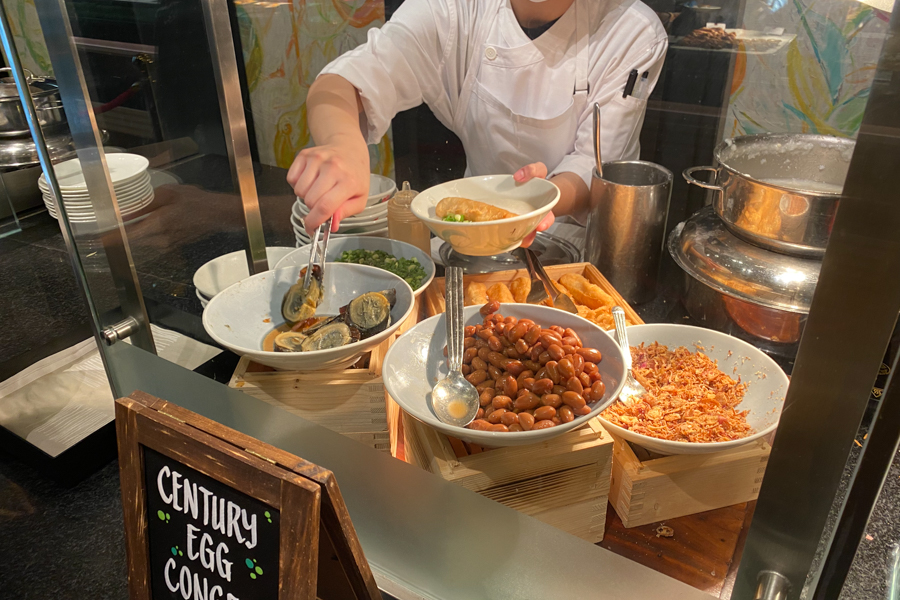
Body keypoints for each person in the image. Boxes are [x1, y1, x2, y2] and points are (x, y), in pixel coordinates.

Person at [287, 0, 667, 245]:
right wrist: (342, 143)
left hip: (577, 243)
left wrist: (535, 202)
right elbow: (345, 81)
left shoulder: (631, 29)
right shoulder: (455, 9)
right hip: (466, 235)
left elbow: (595, 166)